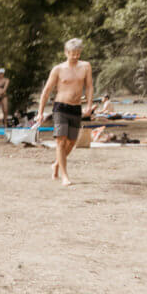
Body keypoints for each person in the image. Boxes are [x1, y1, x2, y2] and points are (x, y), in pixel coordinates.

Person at [36, 38, 93, 186]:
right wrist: (40, 112)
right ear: (66, 52)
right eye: (72, 53)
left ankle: (56, 164)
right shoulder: (58, 69)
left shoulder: (86, 66)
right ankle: (64, 176)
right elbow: (46, 91)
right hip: (60, 107)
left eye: (78, 54)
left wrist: (89, 105)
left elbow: (89, 87)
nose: (75, 56)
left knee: (72, 142)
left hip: (76, 108)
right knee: (60, 141)